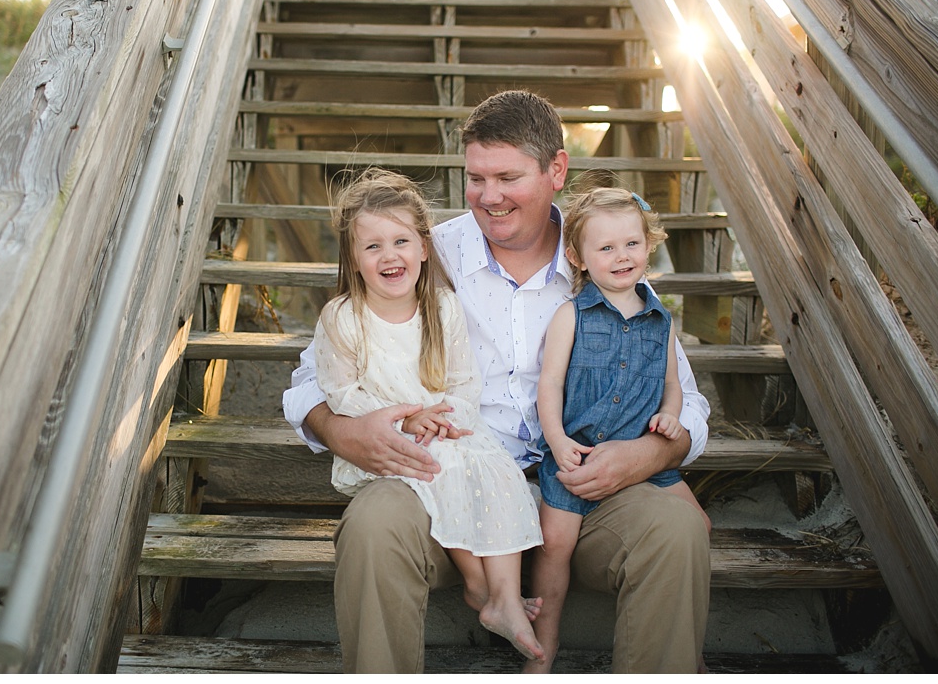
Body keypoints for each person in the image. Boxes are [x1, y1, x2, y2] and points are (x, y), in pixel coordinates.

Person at [284, 90, 711, 673]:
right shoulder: (428, 253)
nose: (489, 196)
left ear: (556, 170)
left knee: (677, 528)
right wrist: (340, 430)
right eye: (475, 178)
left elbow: (687, 400)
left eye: (507, 177)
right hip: (448, 489)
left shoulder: (605, 258)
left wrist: (646, 454)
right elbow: (312, 373)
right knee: (374, 523)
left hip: (583, 499)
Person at [312, 167, 545, 661]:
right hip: (394, 442)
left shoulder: (441, 306)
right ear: (353, 259)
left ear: (423, 246)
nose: (388, 255)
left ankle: (503, 596)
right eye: (371, 247)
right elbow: (340, 392)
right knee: (439, 469)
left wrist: (441, 418)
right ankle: (480, 586)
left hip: (448, 426)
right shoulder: (343, 318)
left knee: (498, 471)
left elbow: (464, 382)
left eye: (400, 241)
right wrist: (403, 420)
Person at [527, 180, 712, 674]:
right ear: (580, 257)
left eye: (631, 243)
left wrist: (669, 419)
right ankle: (543, 648)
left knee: (699, 527)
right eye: (606, 247)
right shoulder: (571, 316)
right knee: (554, 548)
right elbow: (548, 388)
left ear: (648, 244)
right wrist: (558, 441)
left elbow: (674, 384)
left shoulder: (660, 319)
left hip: (642, 465)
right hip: (577, 456)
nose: (621, 256)